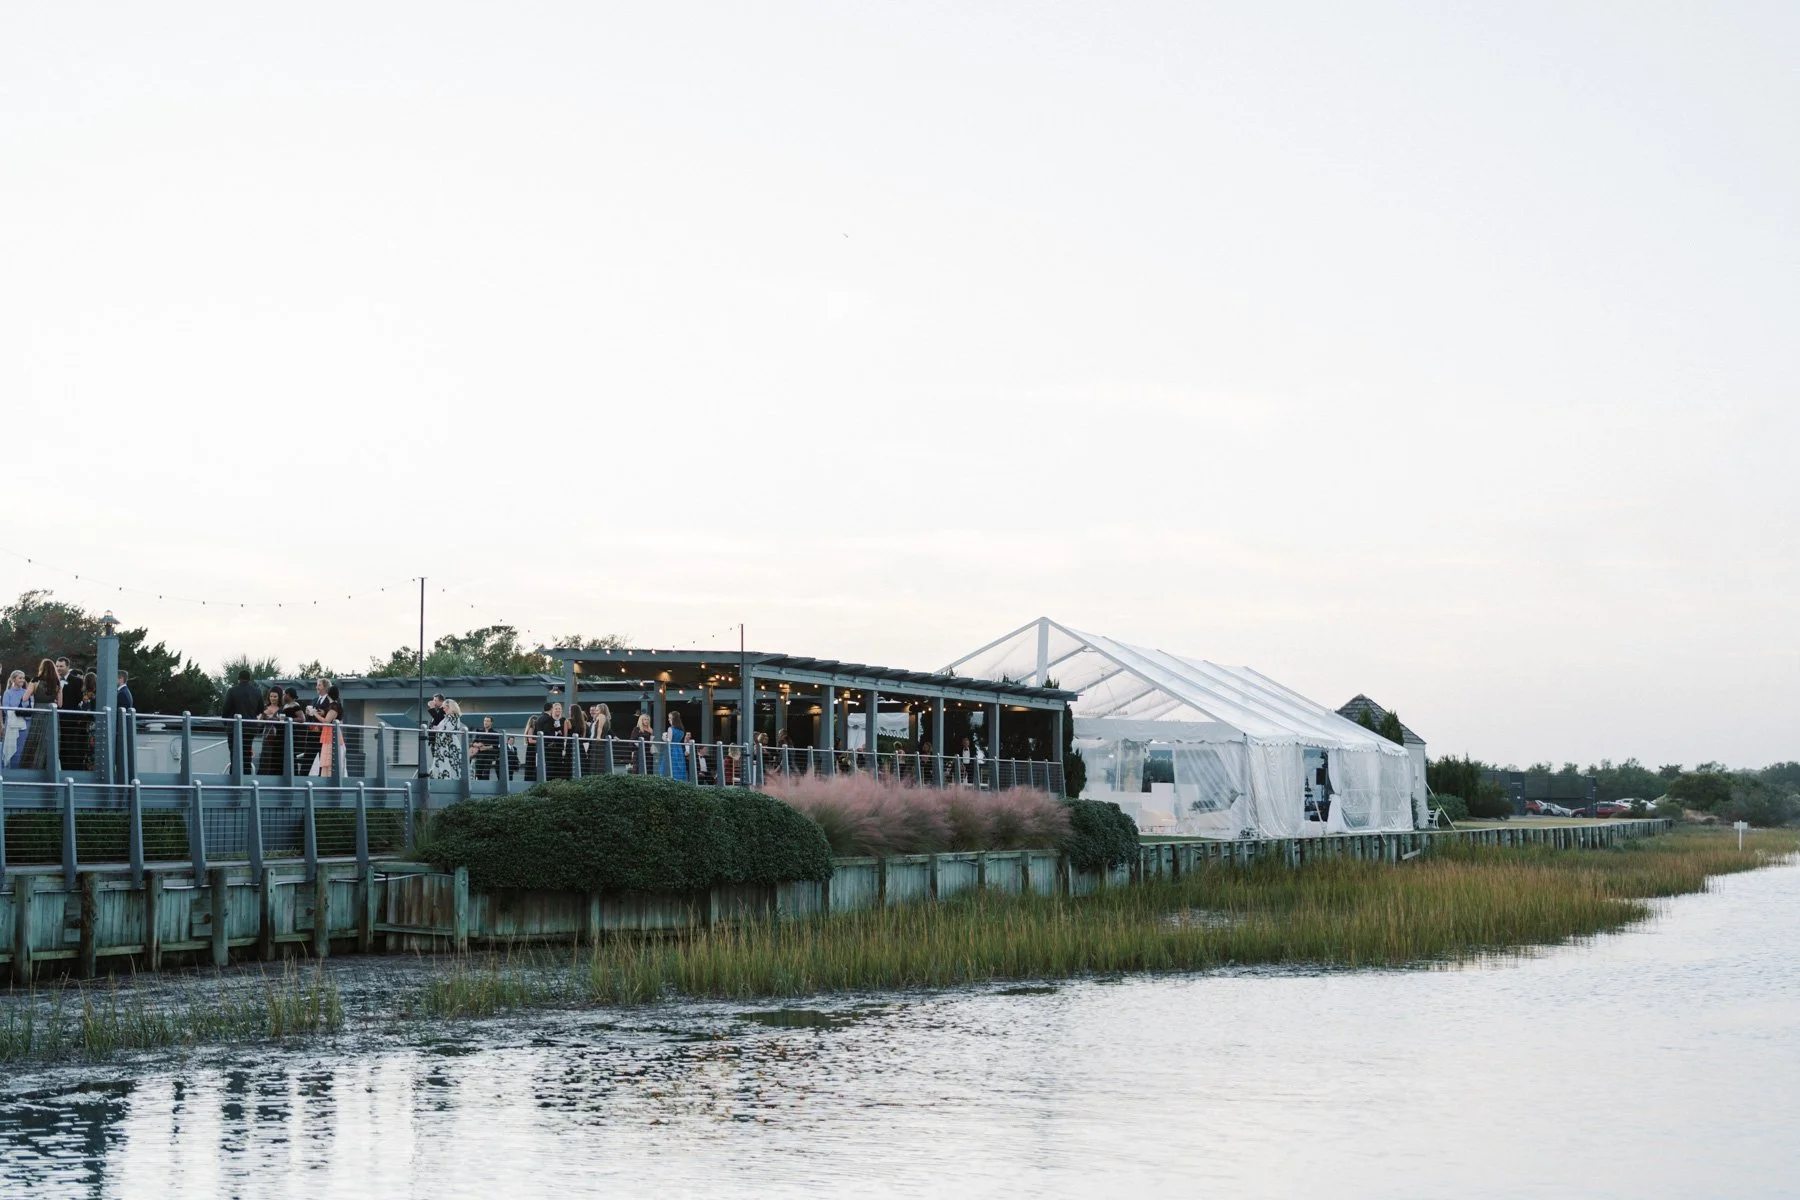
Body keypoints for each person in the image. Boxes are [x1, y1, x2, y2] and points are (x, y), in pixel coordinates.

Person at [220, 668, 265, 773]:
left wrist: (227, 724)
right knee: (246, 753)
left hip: (234, 728)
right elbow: (260, 709)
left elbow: (225, 710)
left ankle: (234, 779)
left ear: (238, 678)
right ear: (249, 679)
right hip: (250, 727)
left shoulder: (232, 691)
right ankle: (246, 777)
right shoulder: (257, 691)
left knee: (234, 754)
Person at [19, 659, 61, 769]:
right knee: (49, 739)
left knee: (35, 738)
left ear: (41, 668)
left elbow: (25, 698)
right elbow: (60, 703)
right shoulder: (57, 682)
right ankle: (47, 766)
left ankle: (31, 766)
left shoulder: (35, 680)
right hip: (52, 713)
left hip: (38, 712)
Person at [308, 685, 344, 777]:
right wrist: (322, 713)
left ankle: (328, 777)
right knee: (329, 758)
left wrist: (315, 714)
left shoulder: (334, 706)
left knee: (329, 758)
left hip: (330, 734)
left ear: (328, 695)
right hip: (331, 733)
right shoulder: (336, 705)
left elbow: (326, 721)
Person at [429, 699, 467, 779]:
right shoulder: (446, 717)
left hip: (449, 745)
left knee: (449, 763)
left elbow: (448, 729)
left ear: (449, 707)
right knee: (441, 763)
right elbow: (441, 728)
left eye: (444, 707)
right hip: (442, 746)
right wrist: (435, 728)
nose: (443, 709)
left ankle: (448, 780)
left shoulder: (453, 717)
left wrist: (437, 729)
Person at [255, 687, 286, 776]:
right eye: (271, 696)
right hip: (267, 739)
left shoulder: (283, 708)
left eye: (275, 696)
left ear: (279, 697)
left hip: (279, 739)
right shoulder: (265, 707)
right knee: (266, 759)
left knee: (277, 759)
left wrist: (274, 718)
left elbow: (284, 723)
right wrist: (264, 714)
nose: (272, 698)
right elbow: (259, 725)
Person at [2, 669, 29, 768]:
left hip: (24, 724)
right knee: (9, 747)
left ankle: (17, 769)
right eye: (20, 678)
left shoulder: (26, 692)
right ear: (14, 679)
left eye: (23, 678)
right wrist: (18, 711)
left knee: (20, 749)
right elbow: (5, 709)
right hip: (11, 724)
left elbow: (28, 707)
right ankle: (7, 770)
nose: (23, 680)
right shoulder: (7, 693)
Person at [660, 711, 690, 781]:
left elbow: (669, 741)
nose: (668, 719)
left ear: (674, 719)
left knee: (670, 766)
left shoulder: (670, 728)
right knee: (679, 766)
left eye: (670, 718)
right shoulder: (681, 730)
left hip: (672, 749)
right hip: (679, 749)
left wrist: (663, 737)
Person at [470, 715, 501, 780]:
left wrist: (485, 747)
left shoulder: (495, 733)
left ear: (491, 723)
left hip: (489, 756)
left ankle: (486, 787)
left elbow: (496, 745)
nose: (485, 722)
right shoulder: (479, 731)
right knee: (478, 773)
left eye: (487, 721)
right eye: (484, 720)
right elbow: (473, 742)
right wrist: (478, 745)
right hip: (479, 755)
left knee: (486, 773)